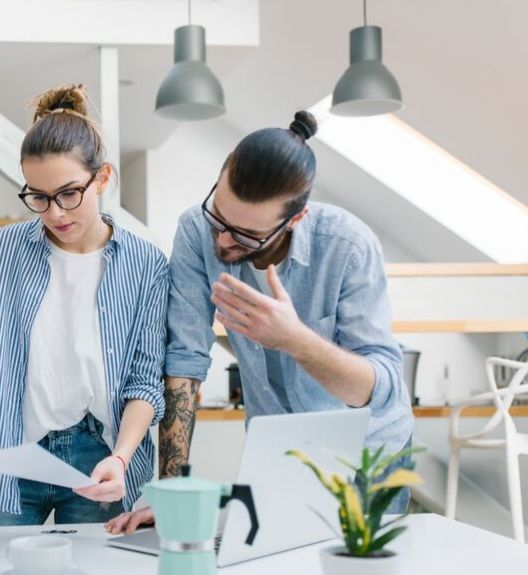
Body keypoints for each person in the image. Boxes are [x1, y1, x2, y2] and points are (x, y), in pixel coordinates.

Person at [106, 111, 415, 534]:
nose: (223, 240)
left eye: (246, 235)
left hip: (367, 456)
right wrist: (174, 489)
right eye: (220, 216)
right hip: (278, 453)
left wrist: (295, 340)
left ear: (294, 220)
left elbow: (379, 389)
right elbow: (185, 363)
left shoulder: (348, 245)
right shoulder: (197, 232)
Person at [0, 84, 168, 526]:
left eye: (68, 193)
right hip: (7, 448)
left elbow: (144, 381)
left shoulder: (146, 264)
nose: (55, 213)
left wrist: (120, 459)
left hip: (98, 456)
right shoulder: (5, 249)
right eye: (38, 197)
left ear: (102, 178)